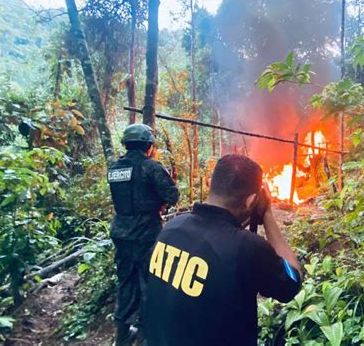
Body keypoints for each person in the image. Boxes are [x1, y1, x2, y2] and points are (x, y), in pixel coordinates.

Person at [142, 154, 302, 346]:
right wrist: (267, 215)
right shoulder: (246, 247)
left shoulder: (171, 229)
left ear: (211, 184)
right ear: (252, 200)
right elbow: (292, 282)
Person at [107, 124, 179, 346]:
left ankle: (122, 333)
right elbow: (172, 194)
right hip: (146, 233)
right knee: (152, 281)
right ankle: (150, 335)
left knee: (126, 281)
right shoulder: (151, 167)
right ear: (148, 145)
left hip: (121, 232)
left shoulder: (114, 168)